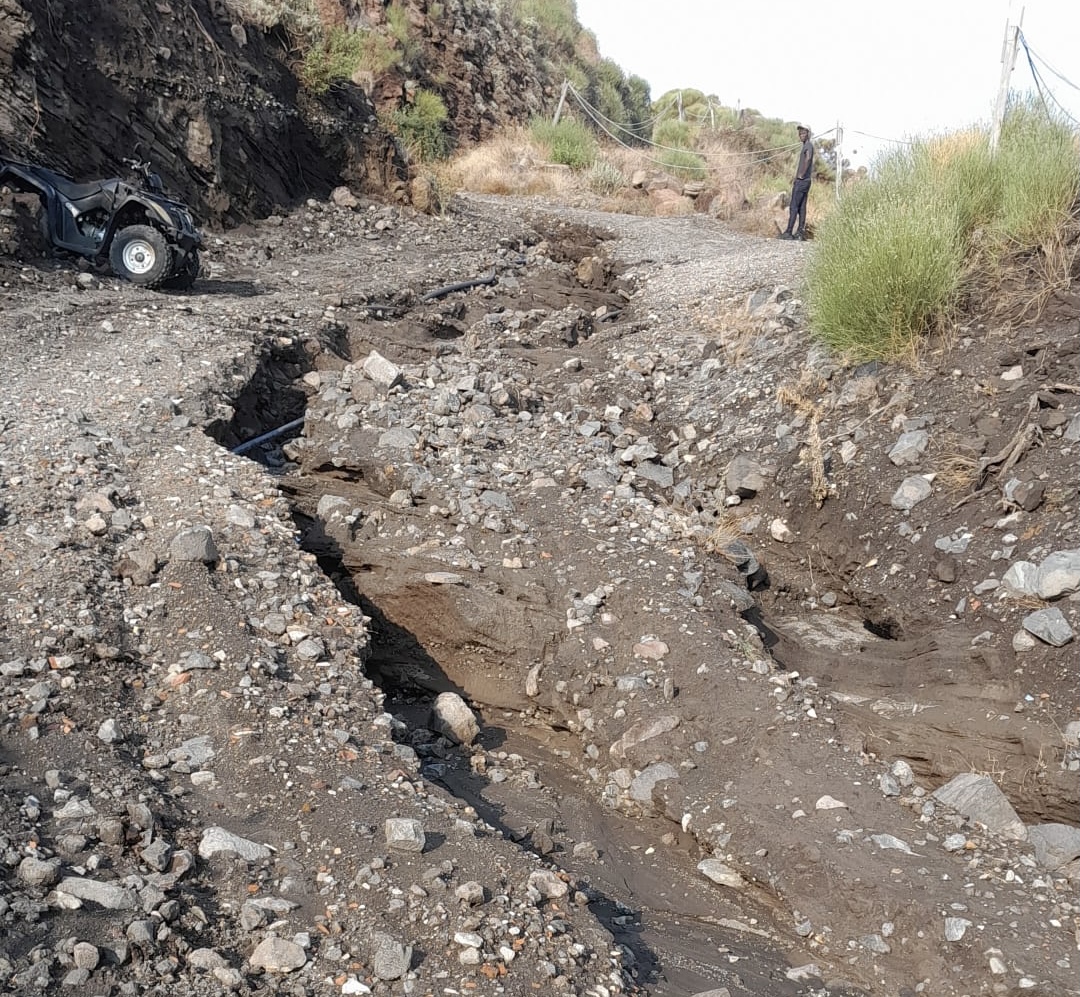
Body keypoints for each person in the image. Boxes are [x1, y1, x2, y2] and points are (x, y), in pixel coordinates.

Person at [779, 126, 814, 240]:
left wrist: (801, 175)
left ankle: (788, 232)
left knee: (794, 206)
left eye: (803, 133)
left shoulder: (808, 146)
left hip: (802, 181)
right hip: (807, 181)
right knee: (802, 207)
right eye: (800, 133)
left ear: (808, 134)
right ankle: (800, 233)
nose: (801, 135)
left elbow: (808, 159)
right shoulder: (807, 146)